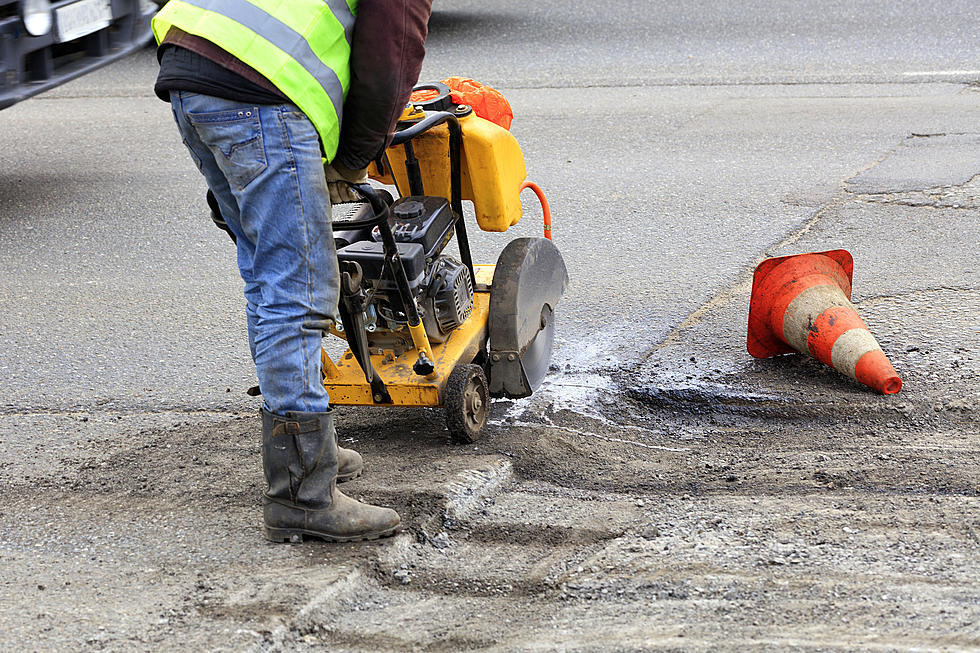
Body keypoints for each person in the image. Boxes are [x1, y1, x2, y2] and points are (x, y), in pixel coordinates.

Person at [151, 0, 433, 542]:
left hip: (193, 69)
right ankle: (304, 494)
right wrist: (351, 163)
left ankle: (306, 452)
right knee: (298, 291)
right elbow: (391, 57)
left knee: (266, 276)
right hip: (257, 95)